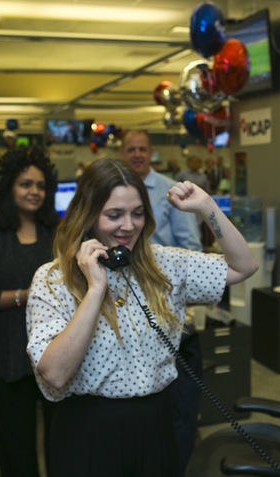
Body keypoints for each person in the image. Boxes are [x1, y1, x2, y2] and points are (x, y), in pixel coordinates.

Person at [26, 158, 258, 477]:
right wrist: (95, 290)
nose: (129, 226)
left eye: (137, 213)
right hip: (89, 430)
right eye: (114, 215)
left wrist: (207, 207)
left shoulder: (163, 264)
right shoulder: (53, 280)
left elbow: (243, 266)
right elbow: (54, 372)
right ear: (88, 216)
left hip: (156, 424)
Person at [0, 147, 59, 477]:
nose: (34, 192)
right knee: (14, 445)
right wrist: (26, 296)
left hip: (57, 350)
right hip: (6, 348)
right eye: (25, 184)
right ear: (8, 186)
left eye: (40, 185)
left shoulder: (58, 233)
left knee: (61, 440)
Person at [121, 129, 203, 476]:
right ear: (122, 153)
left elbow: (192, 248)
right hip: (125, 318)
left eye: (142, 149)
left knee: (178, 413)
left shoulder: (171, 191)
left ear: (151, 152)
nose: (137, 154)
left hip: (168, 315)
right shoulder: (112, 191)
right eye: (131, 149)